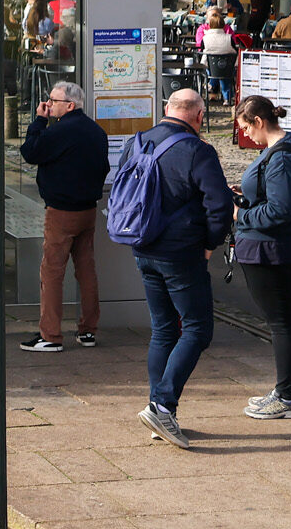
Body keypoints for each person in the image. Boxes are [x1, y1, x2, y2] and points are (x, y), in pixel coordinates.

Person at [127, 89, 235, 450]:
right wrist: (209, 245)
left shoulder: (139, 141)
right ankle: (162, 405)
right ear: (200, 117)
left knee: (162, 328)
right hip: (181, 254)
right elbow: (219, 207)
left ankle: (158, 409)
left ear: (166, 110)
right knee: (198, 328)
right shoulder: (198, 151)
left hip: (143, 247)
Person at [231, 96, 291, 419]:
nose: (246, 136)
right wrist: (247, 195)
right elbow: (274, 197)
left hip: (272, 250)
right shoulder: (282, 151)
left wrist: (241, 215)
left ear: (259, 122)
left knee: (280, 323)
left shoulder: (282, 158)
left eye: (245, 128)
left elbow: (281, 209)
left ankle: (287, 396)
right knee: (283, 321)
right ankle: (287, 389)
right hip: (273, 247)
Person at [18, 80, 110, 353]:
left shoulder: (61, 130)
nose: (48, 105)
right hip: (88, 210)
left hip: (61, 211)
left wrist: (38, 120)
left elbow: (30, 151)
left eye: (53, 101)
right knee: (86, 269)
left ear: (69, 105)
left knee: (52, 272)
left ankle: (50, 335)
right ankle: (88, 330)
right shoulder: (95, 131)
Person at [200, 11, 237, 107]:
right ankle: (227, 98)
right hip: (227, 68)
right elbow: (235, 50)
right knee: (225, 75)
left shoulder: (205, 38)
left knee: (212, 67)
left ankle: (211, 83)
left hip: (212, 69)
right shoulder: (229, 38)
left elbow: (201, 50)